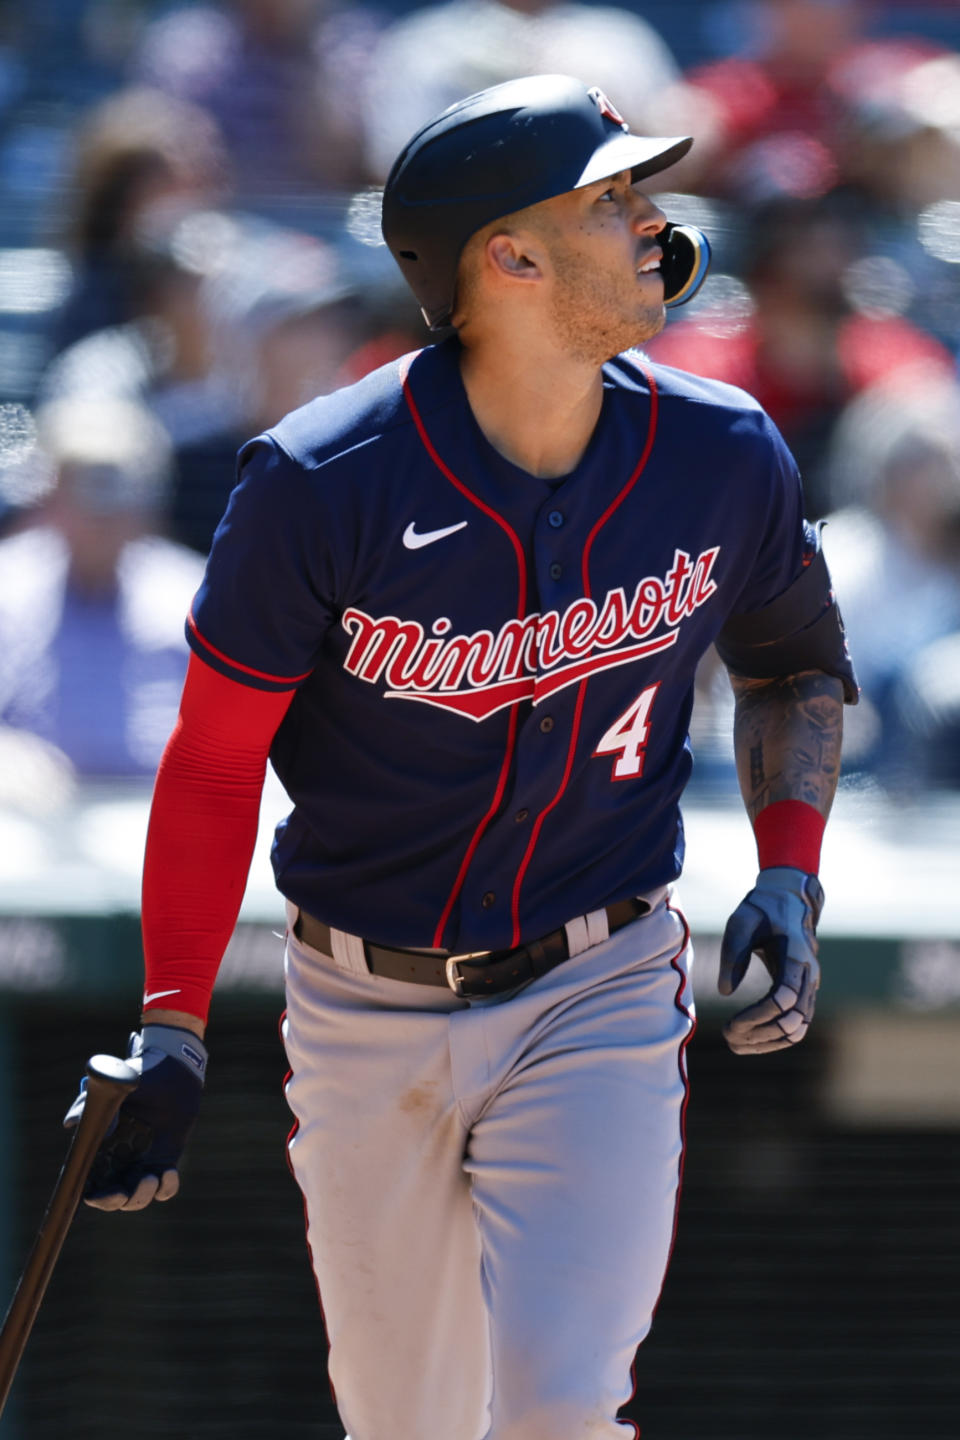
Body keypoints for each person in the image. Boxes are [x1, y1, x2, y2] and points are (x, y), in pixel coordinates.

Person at [68, 76, 857, 1439]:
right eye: (611, 199)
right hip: (362, 999)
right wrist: (174, 1022)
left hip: (598, 977)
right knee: (408, 1423)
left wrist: (791, 871)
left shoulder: (724, 453)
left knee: (559, 1407)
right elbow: (210, 764)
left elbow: (793, 665)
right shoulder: (324, 479)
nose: (653, 219)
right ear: (510, 255)